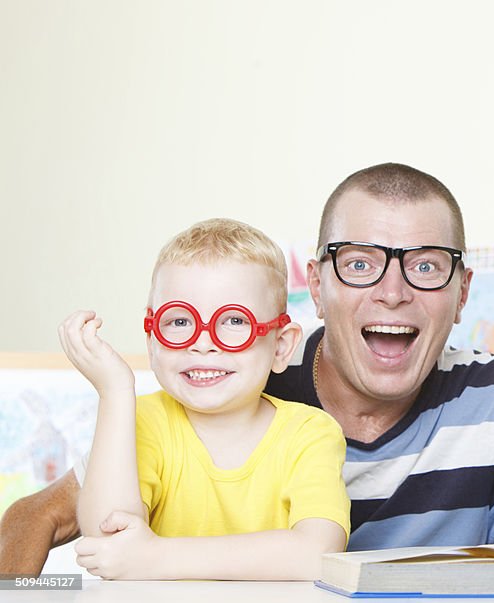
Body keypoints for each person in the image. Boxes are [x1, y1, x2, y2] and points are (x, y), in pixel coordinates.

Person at [0, 163, 494, 575]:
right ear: (318, 288)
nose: (393, 292)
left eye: (426, 266)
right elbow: (40, 517)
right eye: (359, 264)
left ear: (461, 291)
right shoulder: (233, 378)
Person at [59, 218, 350, 580]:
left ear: (281, 346)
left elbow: (316, 553)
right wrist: (115, 393)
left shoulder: (311, 433)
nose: (203, 342)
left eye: (234, 321)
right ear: (152, 342)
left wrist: (155, 557)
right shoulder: (145, 422)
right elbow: (107, 542)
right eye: (179, 322)